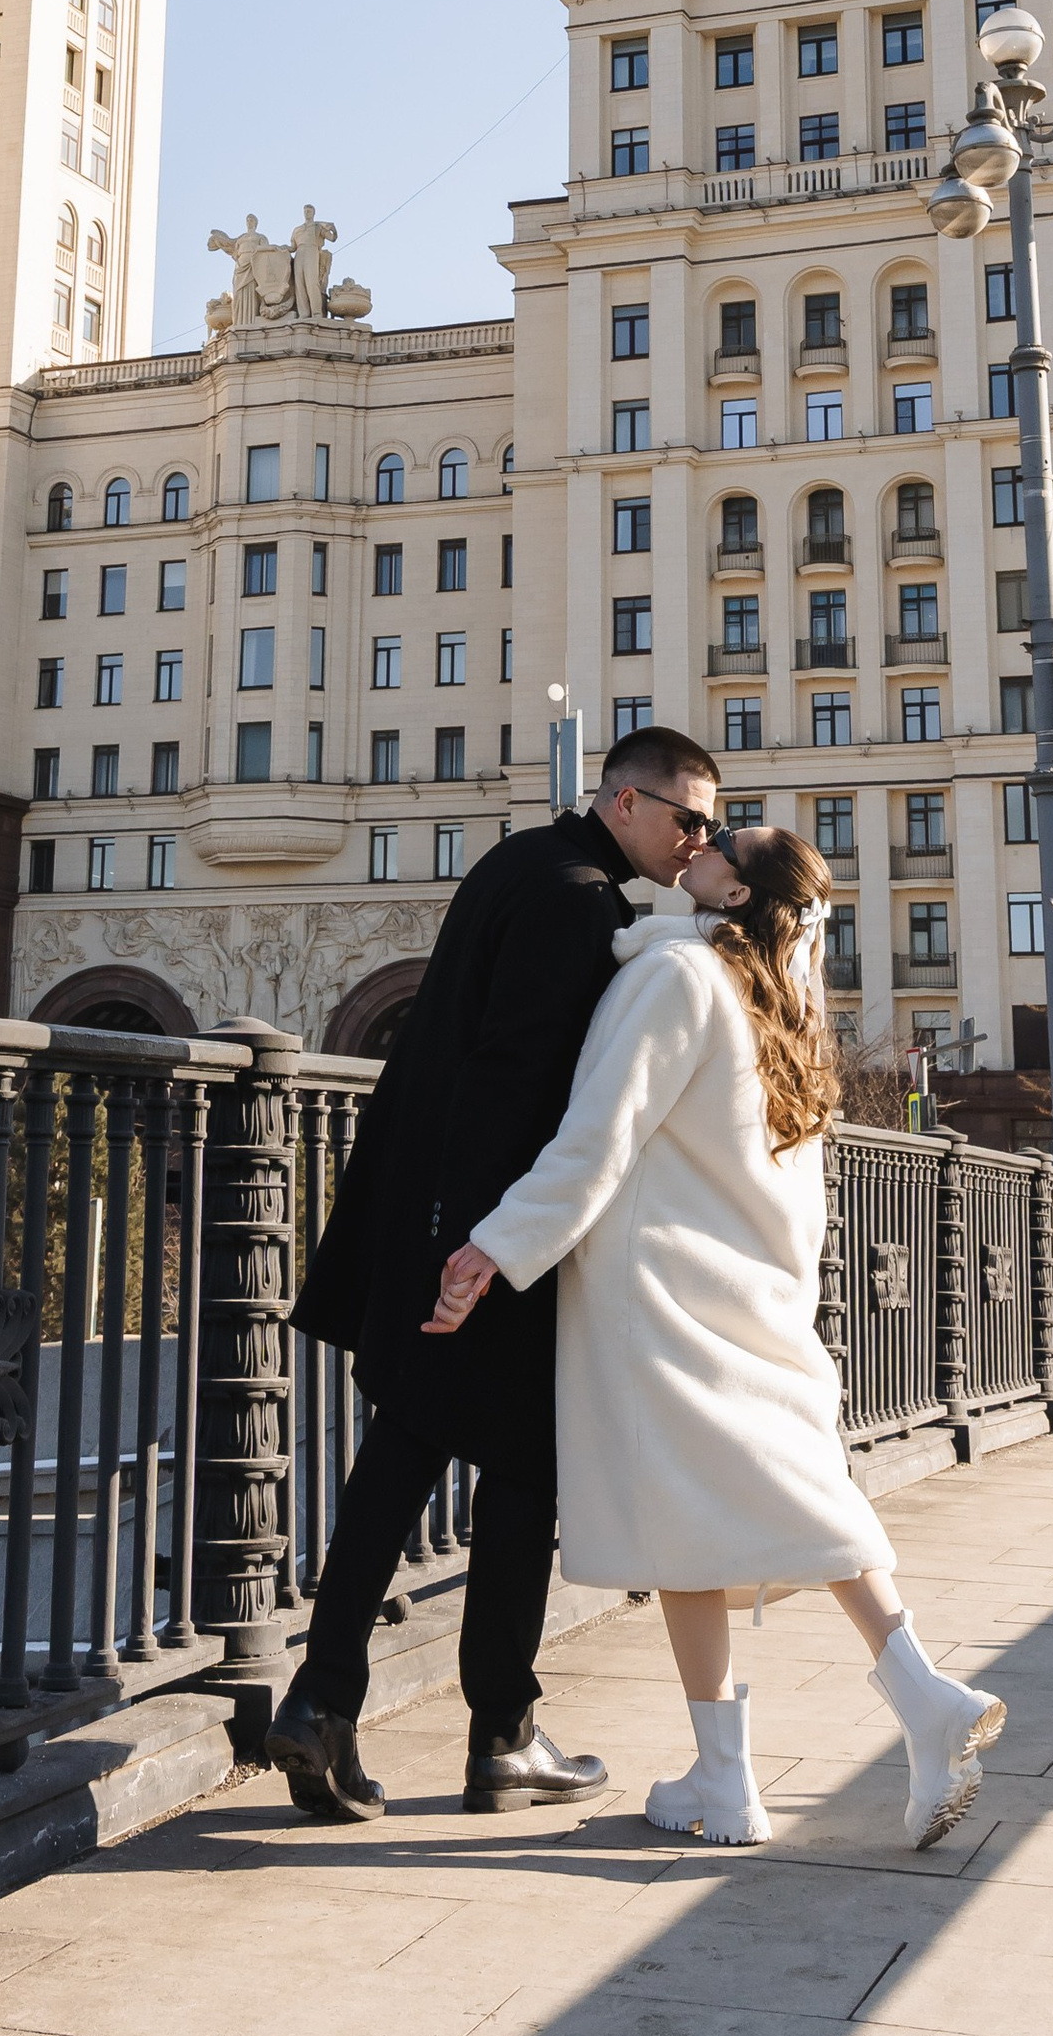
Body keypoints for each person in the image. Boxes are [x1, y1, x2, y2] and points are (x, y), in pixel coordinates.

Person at [425, 822, 1008, 1851]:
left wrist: (494, 1245)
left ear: (734, 895)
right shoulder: (781, 1005)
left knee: (685, 1523)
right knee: (775, 1497)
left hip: (658, 1291)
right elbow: (798, 1185)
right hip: (749, 1289)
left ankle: (750, 1770)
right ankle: (878, 1712)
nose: (698, 844)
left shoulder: (675, 980)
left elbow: (597, 1137)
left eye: (722, 845)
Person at [267, 725, 723, 1821]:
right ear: (623, 801)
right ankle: (497, 1736)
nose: (693, 838)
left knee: (406, 1455)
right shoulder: (577, 902)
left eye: (707, 826)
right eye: (685, 818)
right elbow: (515, 1082)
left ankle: (331, 1702)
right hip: (486, 1237)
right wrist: (483, 1249)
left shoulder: (520, 865)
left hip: (438, 1216)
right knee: (521, 1474)